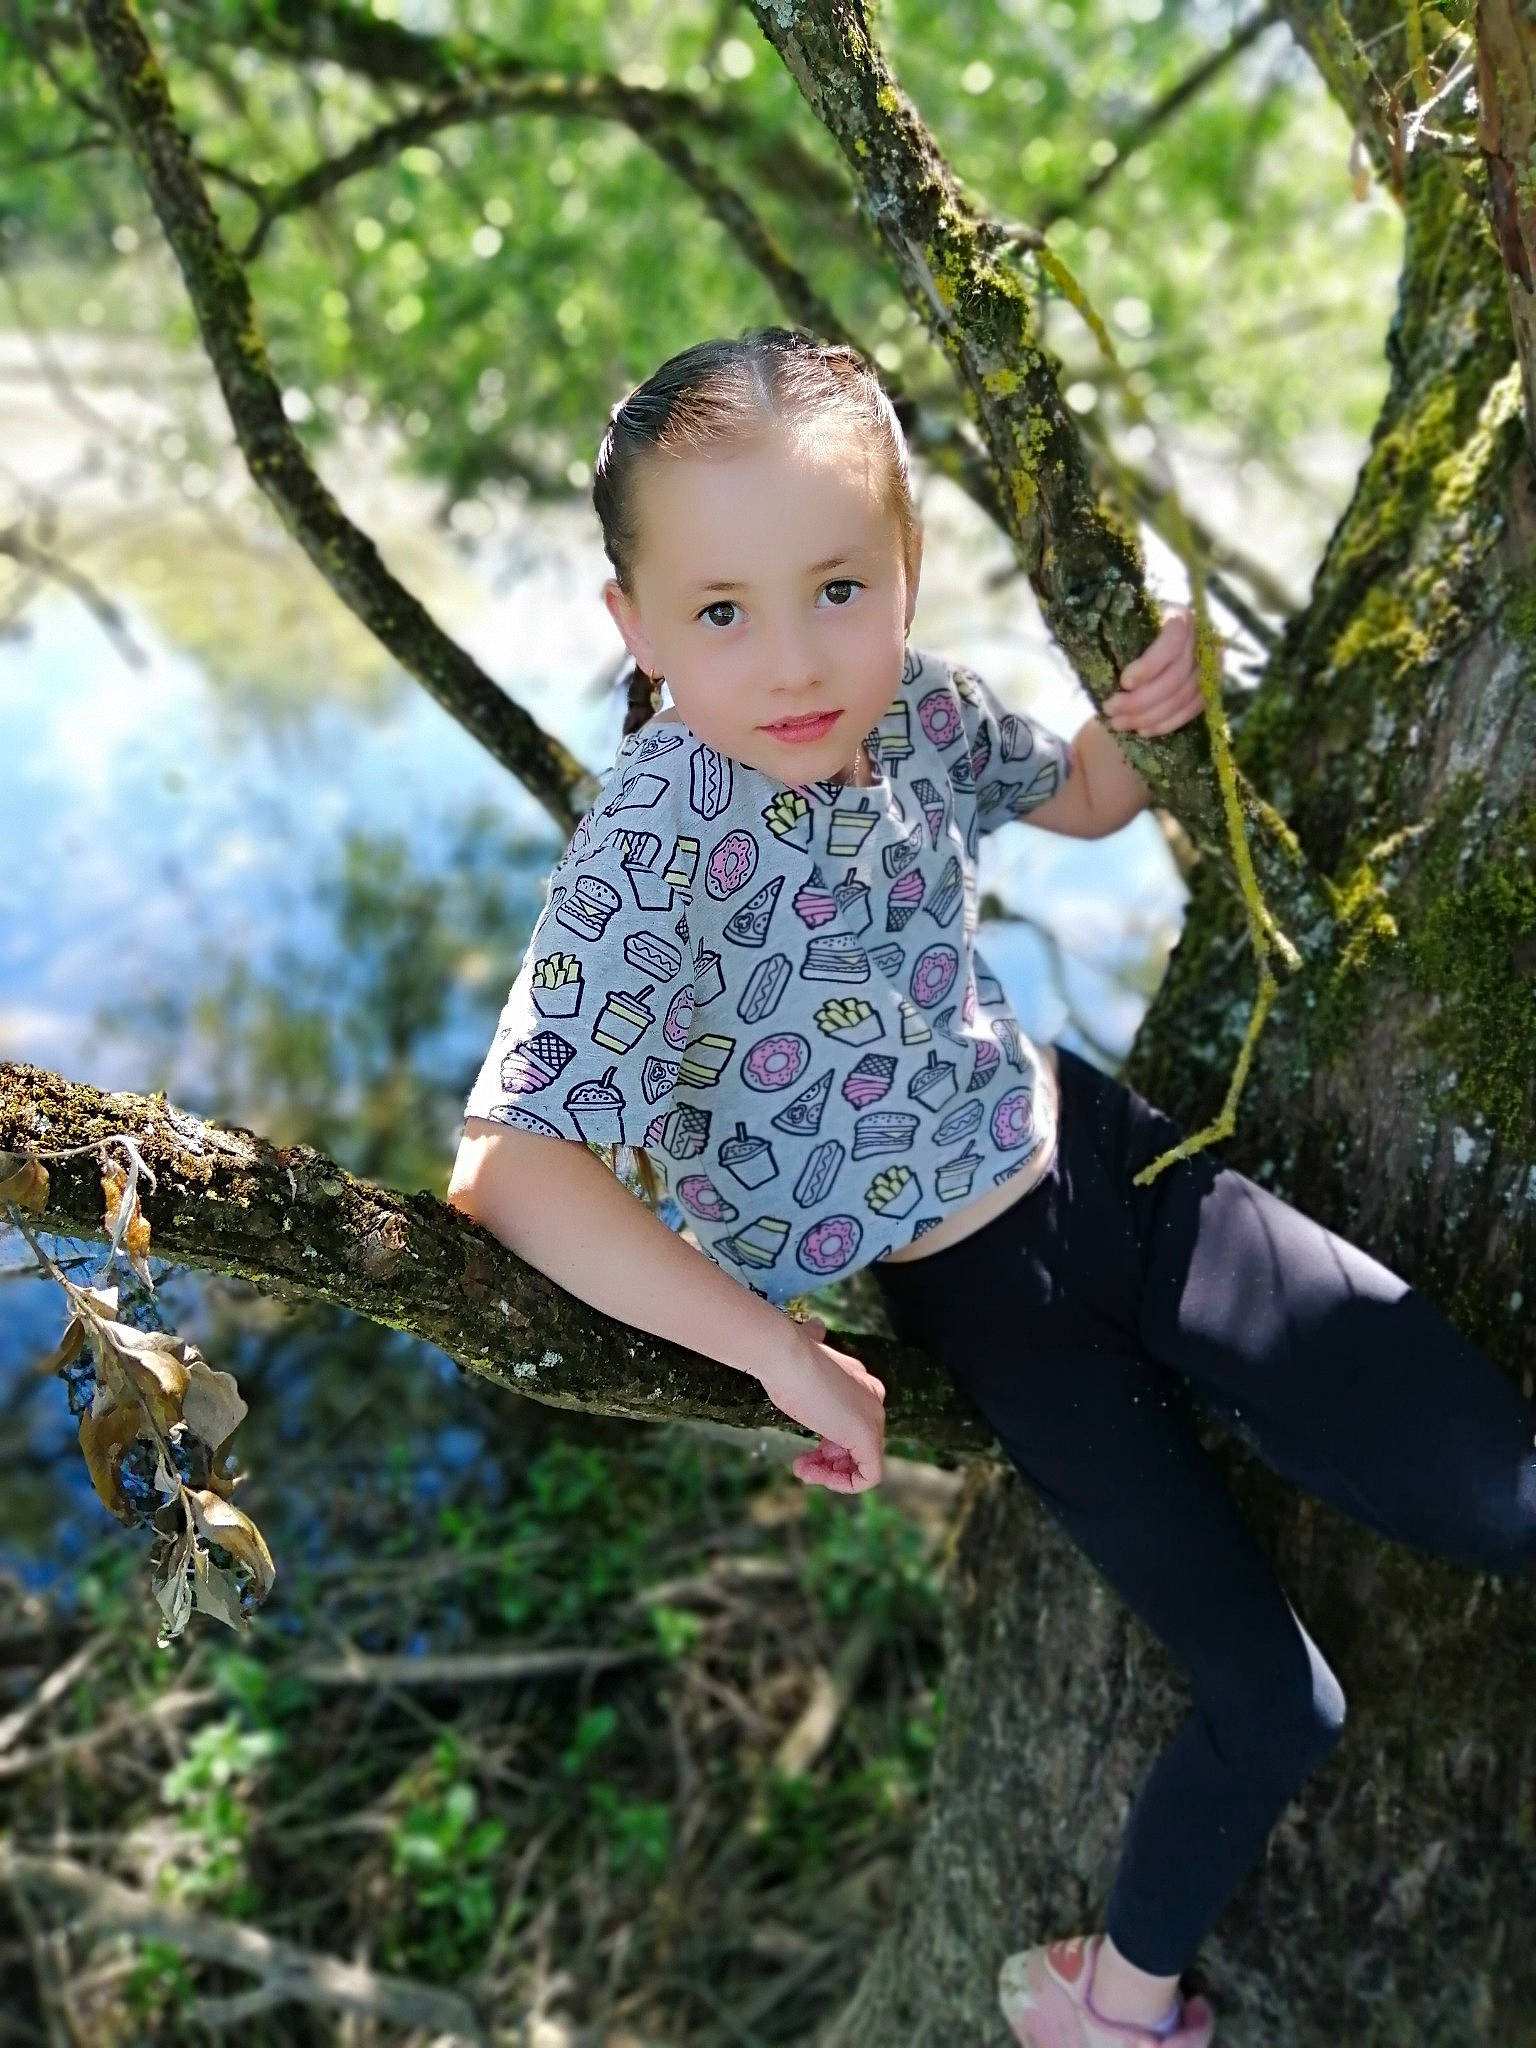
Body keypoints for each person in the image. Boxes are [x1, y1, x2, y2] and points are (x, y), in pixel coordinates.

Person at [446, 327, 1536, 2048]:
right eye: (721, 612)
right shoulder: (649, 847)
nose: (796, 658)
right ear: (634, 628)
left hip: (1102, 1159)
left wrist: (1143, 710)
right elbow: (512, 1168)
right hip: (989, 1305)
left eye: (837, 587)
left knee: (1503, 1491)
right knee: (1281, 1698)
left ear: (904, 570)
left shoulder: (918, 703)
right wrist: (779, 1354)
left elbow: (1084, 798)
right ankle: (1104, 2002)